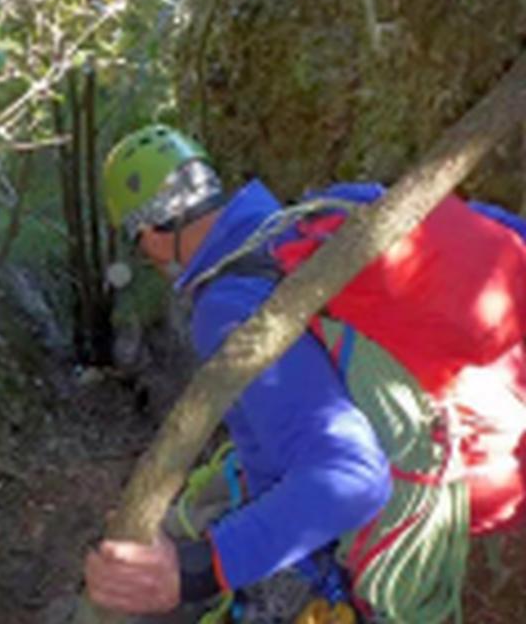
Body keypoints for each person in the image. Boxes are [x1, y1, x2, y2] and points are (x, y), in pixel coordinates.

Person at [84, 124, 526, 623]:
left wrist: (192, 573)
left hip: (404, 503)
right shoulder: (331, 213)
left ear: (151, 236)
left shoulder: (228, 307)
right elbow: (501, 231)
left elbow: (351, 479)